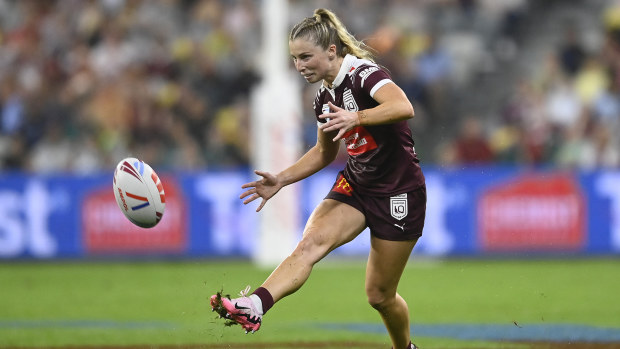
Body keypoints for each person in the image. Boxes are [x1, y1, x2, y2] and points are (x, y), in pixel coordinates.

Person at [210, 8, 426, 349]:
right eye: (294, 59)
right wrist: (281, 178)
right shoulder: (323, 97)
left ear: (331, 51)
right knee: (309, 245)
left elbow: (403, 106)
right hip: (357, 185)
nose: (300, 66)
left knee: (379, 295)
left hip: (399, 193)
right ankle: (254, 306)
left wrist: (358, 116)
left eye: (305, 56)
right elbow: (324, 152)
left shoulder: (364, 75)